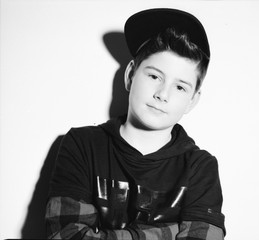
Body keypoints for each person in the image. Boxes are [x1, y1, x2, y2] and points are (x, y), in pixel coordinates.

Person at [45, 8, 226, 239]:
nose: (162, 94)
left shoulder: (200, 167)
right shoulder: (82, 145)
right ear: (131, 74)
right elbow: (64, 235)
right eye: (154, 76)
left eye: (180, 87)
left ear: (192, 100)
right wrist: (172, 232)